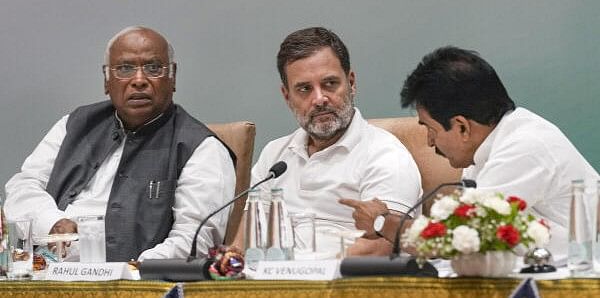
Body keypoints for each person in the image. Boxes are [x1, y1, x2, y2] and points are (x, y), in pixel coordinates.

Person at [4, 26, 236, 262]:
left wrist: (133, 272)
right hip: (46, 272)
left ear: (172, 77)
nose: (139, 80)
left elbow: (195, 240)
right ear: (107, 80)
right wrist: (51, 222)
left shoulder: (202, 148)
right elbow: (23, 187)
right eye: (125, 69)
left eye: (153, 68)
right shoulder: (74, 125)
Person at [347, 46, 599, 260]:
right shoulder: (486, 152)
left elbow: (456, 242)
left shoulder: (525, 147)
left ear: (462, 127)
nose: (430, 141)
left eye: (430, 129)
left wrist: (383, 222)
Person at [234, 27, 422, 256]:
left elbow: (380, 249)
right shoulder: (275, 156)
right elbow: (244, 243)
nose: (319, 99)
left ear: (351, 82)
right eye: (304, 89)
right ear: (287, 96)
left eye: (330, 84)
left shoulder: (385, 155)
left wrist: (299, 273)